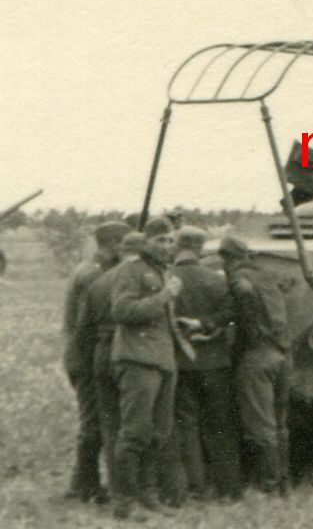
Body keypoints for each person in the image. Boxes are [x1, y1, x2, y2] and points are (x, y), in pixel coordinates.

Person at [109, 217, 189, 521]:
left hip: (162, 360)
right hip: (138, 360)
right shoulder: (130, 271)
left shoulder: (164, 271)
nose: (167, 246)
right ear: (146, 242)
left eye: (170, 240)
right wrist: (164, 297)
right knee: (134, 433)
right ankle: (124, 502)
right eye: (160, 240)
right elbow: (122, 311)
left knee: (158, 433)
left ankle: (147, 494)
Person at [168, 226, 242, 501]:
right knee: (220, 425)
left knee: (186, 425)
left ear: (178, 245)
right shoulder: (217, 279)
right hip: (215, 362)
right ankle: (229, 489)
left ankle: (197, 486)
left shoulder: (168, 279)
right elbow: (231, 313)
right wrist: (206, 324)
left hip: (181, 362)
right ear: (200, 248)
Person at [62, 221, 131, 503]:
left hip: (84, 355)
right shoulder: (94, 275)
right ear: (113, 244)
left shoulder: (89, 269)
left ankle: (85, 483)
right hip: (87, 358)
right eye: (124, 245)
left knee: (96, 422)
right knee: (93, 423)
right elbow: (87, 325)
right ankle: (83, 486)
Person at [75, 230, 143, 515]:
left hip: (101, 358)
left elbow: (82, 331)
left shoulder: (98, 283)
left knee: (111, 427)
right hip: (135, 358)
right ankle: (138, 491)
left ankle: (118, 492)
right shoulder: (143, 281)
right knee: (137, 426)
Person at [220, 236, 291, 496]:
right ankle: (283, 483)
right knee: (279, 424)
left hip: (257, 356)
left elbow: (244, 295)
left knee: (260, 426)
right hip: (281, 354)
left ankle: (269, 487)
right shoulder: (267, 275)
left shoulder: (240, 279)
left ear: (226, 258)